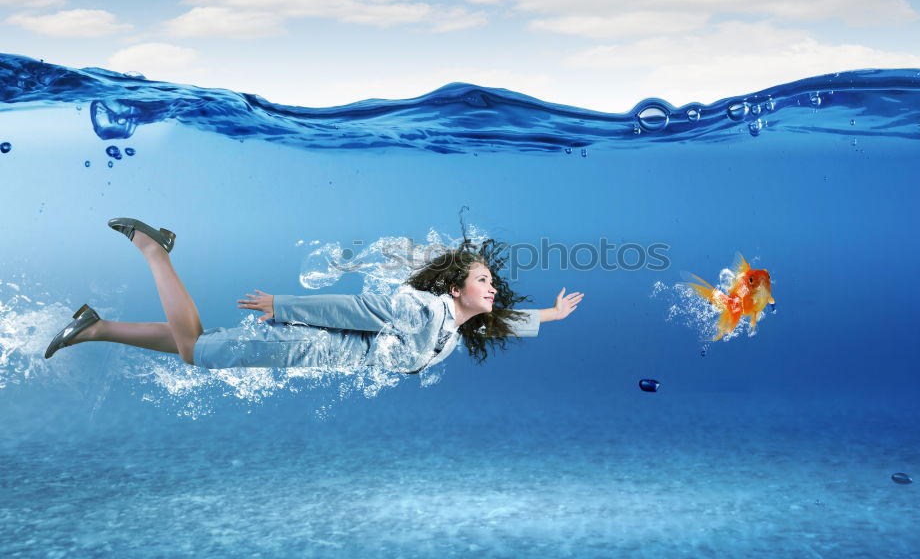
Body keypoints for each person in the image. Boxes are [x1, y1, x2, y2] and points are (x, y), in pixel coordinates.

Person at [44, 218, 584, 373]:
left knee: (202, 343)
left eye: (491, 283)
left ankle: (93, 327)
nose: (492, 288)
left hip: (319, 355)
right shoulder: (425, 309)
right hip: (309, 346)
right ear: (453, 287)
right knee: (197, 352)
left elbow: (497, 321)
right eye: (483, 280)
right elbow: (353, 309)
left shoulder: (454, 325)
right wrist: (283, 306)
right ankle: (155, 250)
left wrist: (551, 316)